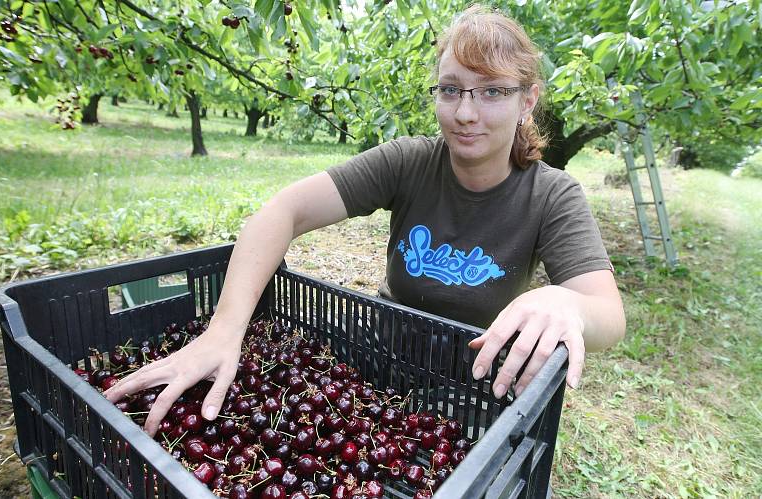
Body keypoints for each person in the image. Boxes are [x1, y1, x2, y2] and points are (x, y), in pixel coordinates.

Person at [105, 5, 625, 437]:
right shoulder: (409, 161)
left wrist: (568, 303)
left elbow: (608, 315)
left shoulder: (552, 195)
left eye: (492, 91)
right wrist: (223, 332)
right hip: (380, 357)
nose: (467, 112)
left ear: (526, 101)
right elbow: (280, 213)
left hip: (473, 380)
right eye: (451, 89)